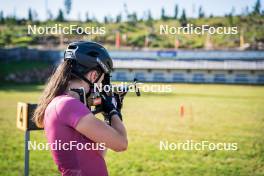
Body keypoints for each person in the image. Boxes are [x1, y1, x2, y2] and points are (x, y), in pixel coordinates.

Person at [33, 41, 127, 176]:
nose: (100, 87)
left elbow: (99, 152)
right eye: (101, 81)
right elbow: (121, 144)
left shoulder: (60, 102)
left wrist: (108, 117)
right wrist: (114, 112)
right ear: (93, 75)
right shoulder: (69, 105)